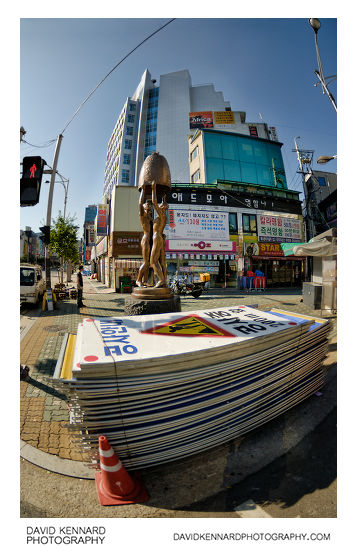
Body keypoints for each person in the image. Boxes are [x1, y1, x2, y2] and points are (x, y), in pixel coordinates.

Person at [150, 182, 168, 287]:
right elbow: (162, 202)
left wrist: (153, 189)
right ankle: (164, 281)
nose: (160, 205)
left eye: (162, 205)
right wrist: (164, 197)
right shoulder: (162, 216)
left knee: (153, 261)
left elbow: (154, 201)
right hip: (159, 237)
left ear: (163, 207)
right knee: (161, 262)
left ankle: (161, 280)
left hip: (157, 237)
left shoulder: (161, 214)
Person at [135, 188, 153, 287]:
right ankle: (138, 280)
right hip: (145, 240)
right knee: (146, 262)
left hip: (151, 241)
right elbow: (139, 203)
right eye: (147, 205)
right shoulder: (142, 215)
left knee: (151, 263)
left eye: (150, 206)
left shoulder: (150, 217)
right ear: (144, 207)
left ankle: (145, 280)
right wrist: (143, 191)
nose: (149, 206)